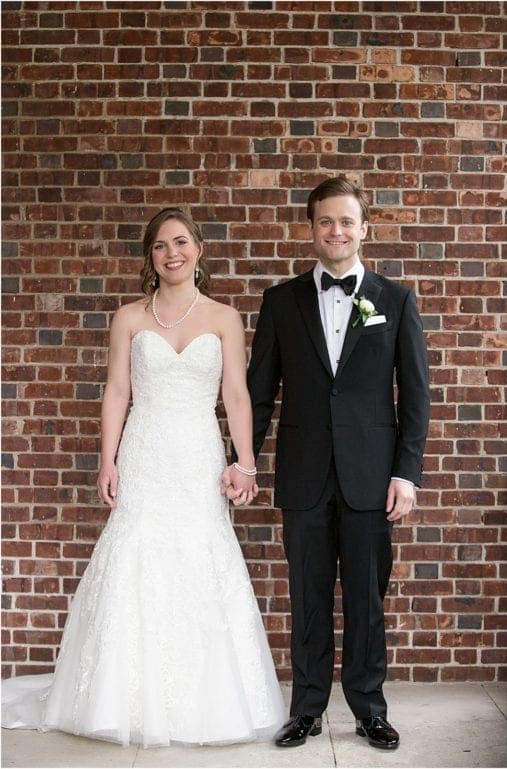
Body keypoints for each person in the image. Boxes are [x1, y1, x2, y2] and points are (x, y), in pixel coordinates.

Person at [1, 208, 285, 746]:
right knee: (135, 555)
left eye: (180, 242)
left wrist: (244, 462)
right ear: (150, 258)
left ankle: (204, 703)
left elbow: (236, 396)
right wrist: (107, 460)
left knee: (200, 555)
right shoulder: (129, 318)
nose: (171, 253)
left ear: (198, 250)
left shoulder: (224, 317)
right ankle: (121, 699)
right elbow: (117, 393)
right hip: (145, 453)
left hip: (198, 456)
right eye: (159, 246)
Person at [228, 176, 429, 750]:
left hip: (373, 476)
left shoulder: (396, 299)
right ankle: (308, 708)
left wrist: (405, 473)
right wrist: (244, 462)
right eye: (324, 221)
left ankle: (369, 708)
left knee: (368, 597)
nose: (335, 231)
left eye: (346, 221)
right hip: (305, 473)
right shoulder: (280, 301)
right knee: (308, 597)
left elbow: (415, 396)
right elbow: (259, 393)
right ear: (311, 229)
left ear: (365, 230)